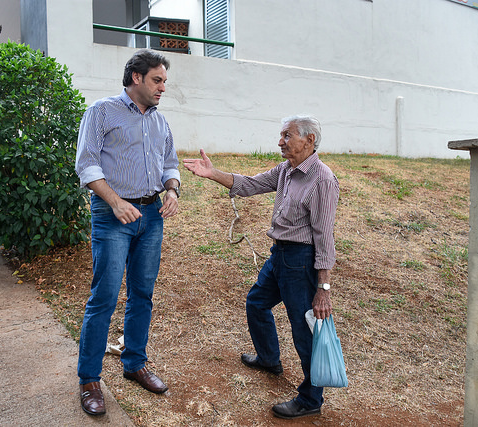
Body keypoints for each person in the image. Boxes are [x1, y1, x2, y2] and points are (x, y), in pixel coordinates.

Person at [183, 115, 339, 420]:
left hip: (301, 261)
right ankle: (269, 359)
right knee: (256, 303)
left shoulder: (322, 179)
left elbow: (325, 238)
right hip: (279, 255)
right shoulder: (286, 170)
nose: (280, 142)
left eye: (287, 136)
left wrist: (323, 288)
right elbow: (250, 184)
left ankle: (311, 398)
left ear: (309, 140)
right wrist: (213, 173)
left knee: (302, 329)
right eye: (280, 136)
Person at [75, 49, 181, 416]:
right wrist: (116, 201)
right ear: (136, 77)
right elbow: (86, 163)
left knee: (143, 294)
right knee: (103, 296)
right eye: (157, 80)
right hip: (112, 215)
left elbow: (170, 162)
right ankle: (89, 378)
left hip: (151, 216)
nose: (163, 87)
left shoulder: (160, 121)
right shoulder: (101, 112)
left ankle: (134, 363)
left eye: (164, 81)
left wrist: (172, 189)